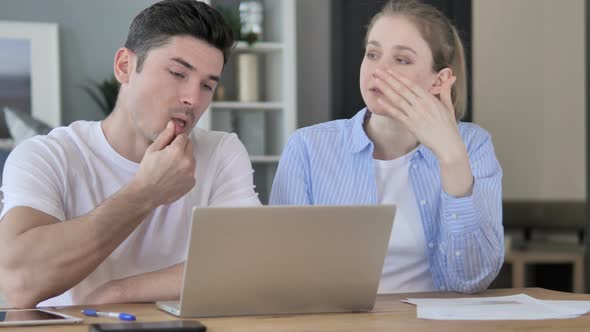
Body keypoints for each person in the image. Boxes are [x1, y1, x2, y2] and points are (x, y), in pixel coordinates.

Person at [0, 0, 260, 308]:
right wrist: (145, 193)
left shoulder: (221, 152)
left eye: (207, 85)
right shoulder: (47, 156)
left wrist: (118, 292)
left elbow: (250, 266)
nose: (193, 98)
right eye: (178, 73)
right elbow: (19, 283)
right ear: (125, 67)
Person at [270, 0, 503, 294]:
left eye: (401, 59)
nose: (377, 71)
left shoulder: (473, 145)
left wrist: (452, 157)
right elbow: (281, 270)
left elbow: (474, 279)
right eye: (372, 54)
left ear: (439, 80)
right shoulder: (307, 147)